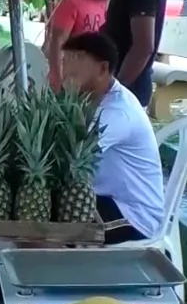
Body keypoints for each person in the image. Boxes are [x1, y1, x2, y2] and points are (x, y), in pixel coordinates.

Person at [60, 33, 164, 245]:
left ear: (102, 69)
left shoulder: (116, 112)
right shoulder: (88, 99)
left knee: (50, 224)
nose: (67, 69)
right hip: (101, 198)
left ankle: (49, 275)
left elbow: (68, 162)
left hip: (133, 215)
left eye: (77, 59)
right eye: (65, 59)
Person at [46, 0, 121, 88]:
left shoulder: (121, 4)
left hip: (107, 81)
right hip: (75, 81)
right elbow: (57, 42)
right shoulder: (73, 1)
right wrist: (57, 80)